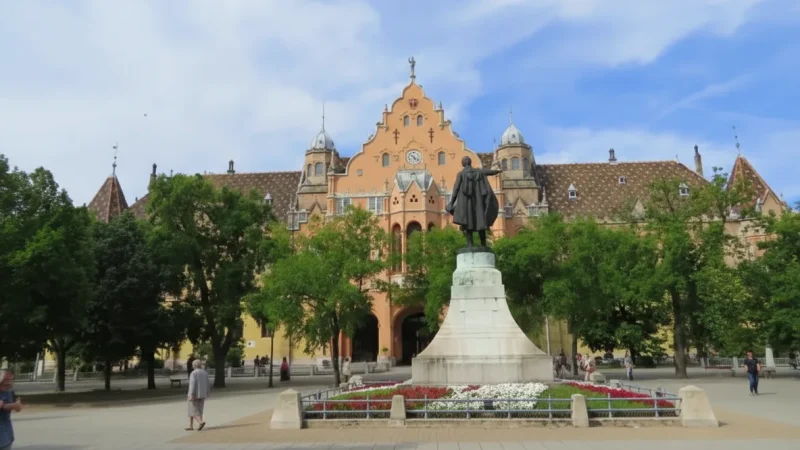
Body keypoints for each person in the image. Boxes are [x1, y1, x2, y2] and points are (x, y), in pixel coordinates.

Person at [445, 156, 502, 248]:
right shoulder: (478, 172)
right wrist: (498, 171)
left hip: (466, 202)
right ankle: (483, 244)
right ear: (470, 163)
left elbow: (456, 189)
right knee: (480, 220)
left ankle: (470, 244)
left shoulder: (461, 174)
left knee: (468, 222)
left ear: (463, 164)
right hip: (478, 202)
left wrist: (451, 202)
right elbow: (488, 172)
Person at [0, 370, 23, 450]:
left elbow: (18, 407)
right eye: (7, 379)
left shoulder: (10, 393)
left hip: (7, 434)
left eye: (11, 379)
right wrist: (12, 405)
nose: (10, 381)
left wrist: (17, 406)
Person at [186, 360, 210, 431]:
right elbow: (207, 384)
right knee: (199, 410)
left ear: (194, 365)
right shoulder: (205, 373)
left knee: (193, 410)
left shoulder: (194, 373)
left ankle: (200, 422)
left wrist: (191, 394)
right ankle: (191, 425)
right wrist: (207, 393)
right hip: (202, 394)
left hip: (195, 394)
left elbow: (192, 385)